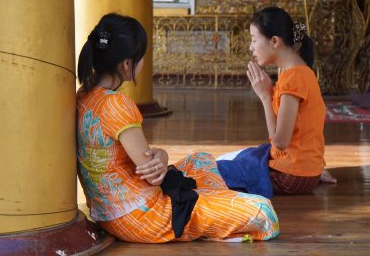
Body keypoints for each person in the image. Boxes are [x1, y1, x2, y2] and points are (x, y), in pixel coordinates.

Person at [76, 13, 279, 243]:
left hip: (108, 213)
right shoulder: (117, 104)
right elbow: (154, 175)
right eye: (142, 57)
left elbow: (136, 159)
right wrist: (161, 156)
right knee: (263, 212)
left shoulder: (84, 95)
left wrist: (159, 157)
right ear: (127, 64)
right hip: (144, 216)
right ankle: (214, 212)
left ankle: (215, 206)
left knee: (200, 160)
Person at [217, 6, 336, 196]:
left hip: (291, 176)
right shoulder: (297, 71)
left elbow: (280, 142)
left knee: (215, 171)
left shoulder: (293, 78)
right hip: (305, 170)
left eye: (254, 40)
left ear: (274, 41)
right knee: (249, 155)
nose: (251, 47)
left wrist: (265, 96)